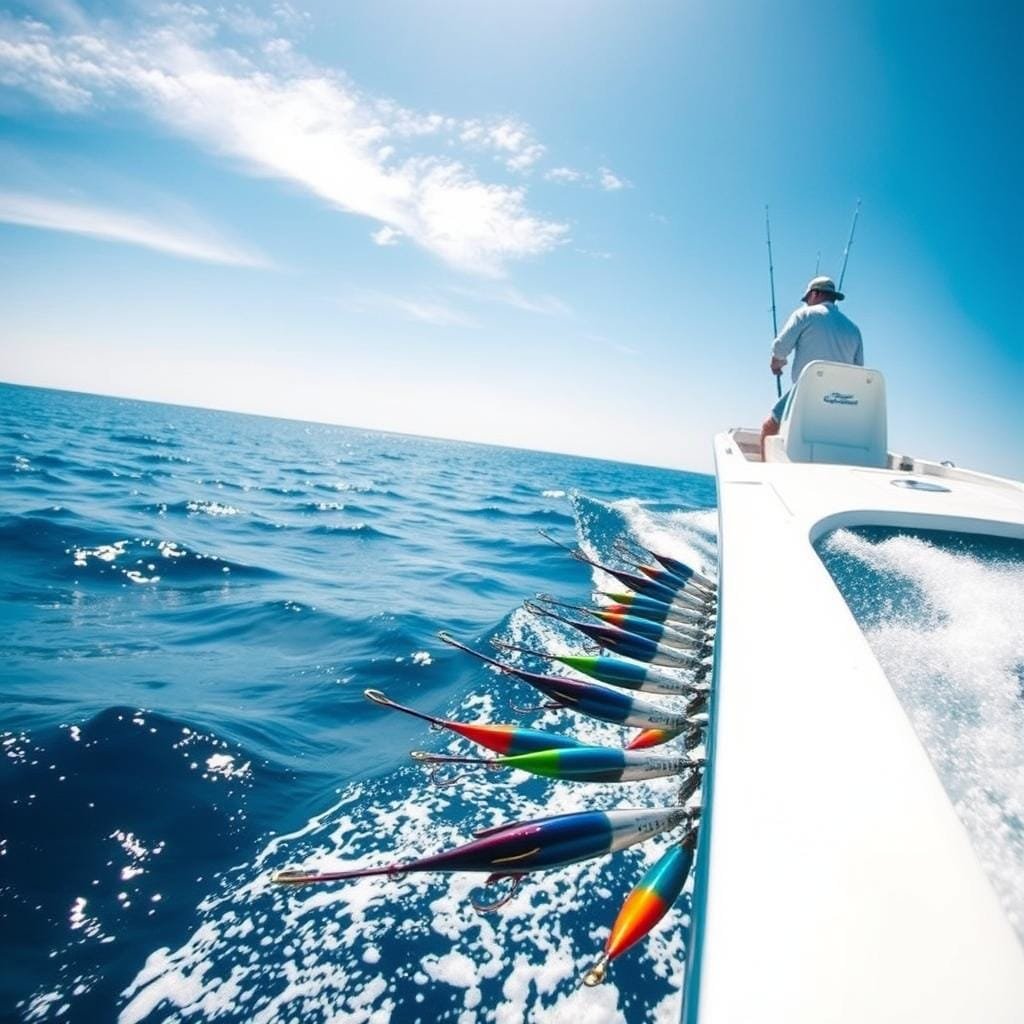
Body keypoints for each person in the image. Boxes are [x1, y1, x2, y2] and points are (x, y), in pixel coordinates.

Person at [760, 275, 863, 457]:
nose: (806, 303)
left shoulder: (805, 314)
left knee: (768, 427)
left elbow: (780, 348)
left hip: (807, 393)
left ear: (814, 294)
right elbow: (858, 371)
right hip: (841, 402)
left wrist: (777, 364)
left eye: (807, 299)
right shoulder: (854, 329)